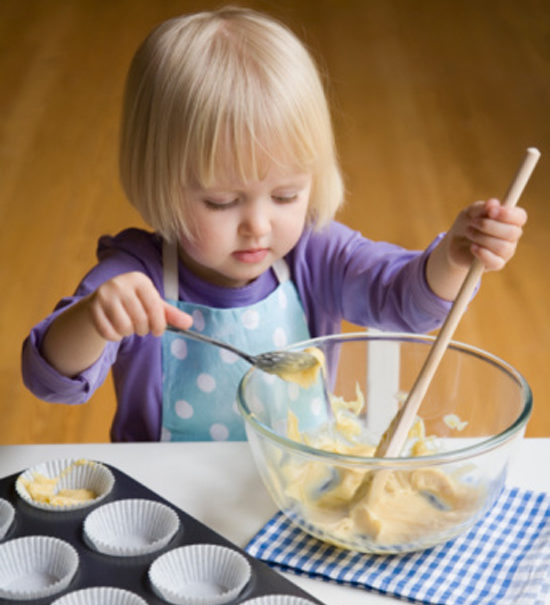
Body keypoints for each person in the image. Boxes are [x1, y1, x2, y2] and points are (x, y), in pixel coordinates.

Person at [21, 7, 526, 443]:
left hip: (296, 493)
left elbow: (402, 298)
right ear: (159, 184)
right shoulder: (137, 275)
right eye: (222, 202)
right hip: (169, 503)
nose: (258, 226)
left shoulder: (315, 254)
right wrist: (92, 319)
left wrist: (455, 257)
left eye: (286, 195)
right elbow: (49, 379)